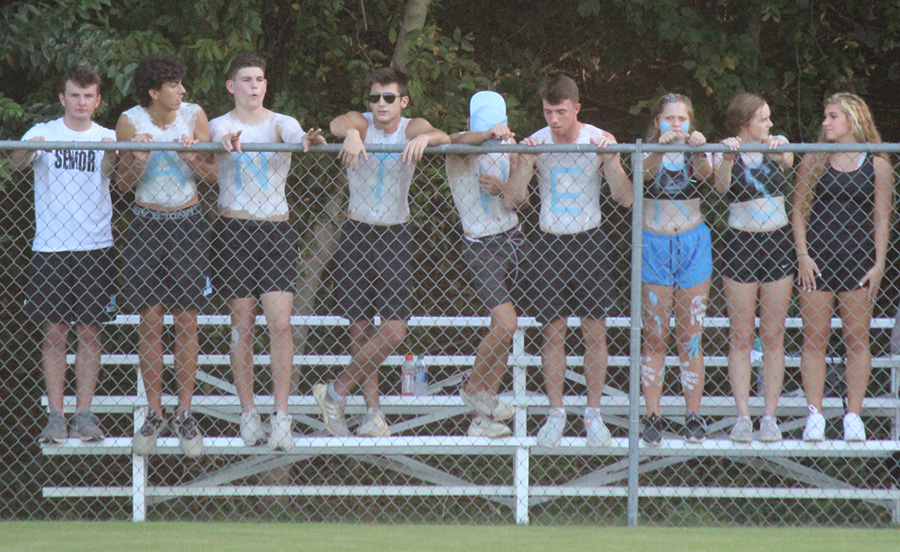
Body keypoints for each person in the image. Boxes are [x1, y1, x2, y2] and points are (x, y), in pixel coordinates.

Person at [313, 67, 450, 437]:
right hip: (357, 232)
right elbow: (337, 122)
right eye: (375, 97)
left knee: (392, 330)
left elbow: (441, 134)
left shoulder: (411, 126)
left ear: (403, 101)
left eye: (389, 97)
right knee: (359, 326)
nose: (381, 104)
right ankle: (372, 413)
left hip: (395, 234)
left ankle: (336, 392)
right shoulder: (362, 122)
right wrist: (355, 134)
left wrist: (429, 141)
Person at [209, 53, 325, 451]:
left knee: (280, 325)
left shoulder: (281, 121)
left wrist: (305, 141)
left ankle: (281, 415)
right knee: (242, 326)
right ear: (231, 86)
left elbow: (293, 136)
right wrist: (223, 144)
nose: (254, 86)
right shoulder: (219, 124)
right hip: (232, 230)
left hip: (275, 231)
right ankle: (248, 414)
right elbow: (215, 143)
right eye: (246, 79)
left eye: (259, 78)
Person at [513, 75, 632, 448]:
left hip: (589, 241)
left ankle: (593, 414)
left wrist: (610, 159)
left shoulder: (596, 138)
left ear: (576, 108)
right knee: (552, 332)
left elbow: (625, 197)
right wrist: (525, 162)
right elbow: (515, 199)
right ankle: (556, 413)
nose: (553, 120)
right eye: (548, 112)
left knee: (595, 331)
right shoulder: (537, 140)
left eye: (561, 112)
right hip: (549, 242)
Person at [116, 53, 217, 457]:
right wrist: (137, 161)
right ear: (154, 91)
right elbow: (122, 186)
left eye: (181, 83)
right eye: (173, 85)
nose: (182, 91)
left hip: (187, 222)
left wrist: (192, 157)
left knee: (187, 320)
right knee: (150, 320)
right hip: (145, 224)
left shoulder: (194, 115)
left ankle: (185, 413)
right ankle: (155, 413)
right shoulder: (130, 121)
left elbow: (214, 175)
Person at [12, 66, 117, 444]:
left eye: (88, 96)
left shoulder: (107, 136)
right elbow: (16, 163)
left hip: (94, 246)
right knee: (54, 332)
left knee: (89, 332)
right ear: (62, 98)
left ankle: (84, 415)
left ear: (98, 100)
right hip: (51, 247)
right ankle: (56, 416)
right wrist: (29, 146)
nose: (81, 102)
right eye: (75, 95)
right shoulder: (45, 132)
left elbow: (112, 173)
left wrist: (114, 155)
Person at [792, 93, 893, 442]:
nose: (826, 123)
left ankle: (853, 415)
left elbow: (882, 219)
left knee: (856, 339)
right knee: (815, 338)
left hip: (858, 259)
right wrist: (803, 255)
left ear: (853, 119)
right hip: (817, 260)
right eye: (824, 116)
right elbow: (799, 213)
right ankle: (815, 415)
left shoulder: (878, 164)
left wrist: (879, 264)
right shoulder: (815, 159)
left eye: (833, 116)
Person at [446, 91, 529, 438]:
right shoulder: (459, 151)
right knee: (506, 324)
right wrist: (486, 135)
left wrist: (507, 183)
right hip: (481, 246)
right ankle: (474, 386)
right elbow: (458, 142)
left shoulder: (509, 150)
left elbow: (519, 200)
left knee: (505, 332)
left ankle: (483, 417)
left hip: (513, 238)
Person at [714, 93, 794, 443]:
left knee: (773, 336)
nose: (770, 124)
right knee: (742, 336)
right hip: (740, 243)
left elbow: (788, 160)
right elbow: (720, 187)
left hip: (776, 242)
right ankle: (744, 416)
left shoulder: (777, 144)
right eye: (763, 119)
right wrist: (729, 158)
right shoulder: (726, 148)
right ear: (744, 123)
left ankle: (770, 417)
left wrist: (775, 147)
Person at [639, 93, 713, 446]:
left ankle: (693, 414)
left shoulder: (698, 148)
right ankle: (653, 415)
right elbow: (643, 176)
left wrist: (697, 148)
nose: (676, 126)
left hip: (692, 244)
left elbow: (705, 175)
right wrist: (658, 146)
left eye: (682, 119)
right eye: (669, 119)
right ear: (657, 122)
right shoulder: (646, 151)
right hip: (653, 245)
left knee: (690, 335)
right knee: (654, 335)